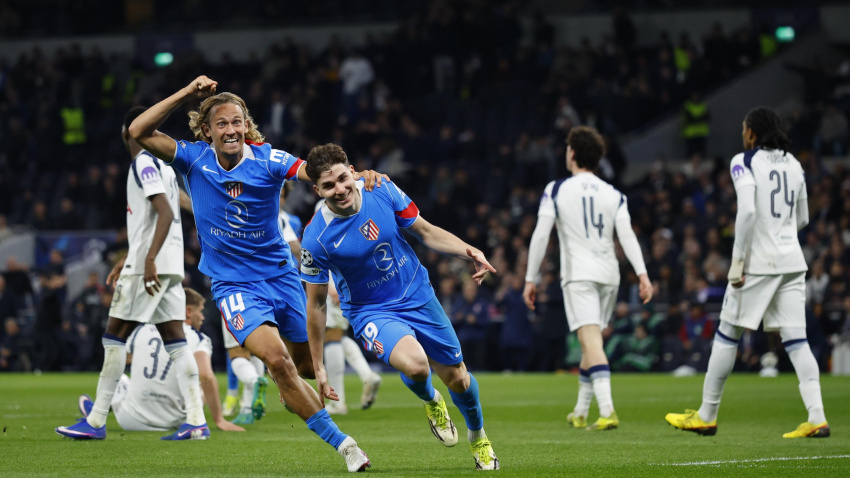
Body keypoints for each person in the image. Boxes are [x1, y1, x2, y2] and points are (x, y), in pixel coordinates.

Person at [129, 76, 377, 472]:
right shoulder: (192, 158)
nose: (231, 130)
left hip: (281, 277)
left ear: (247, 125)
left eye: (237, 122)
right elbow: (138, 131)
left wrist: (357, 177)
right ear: (206, 130)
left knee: (304, 369)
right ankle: (346, 446)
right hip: (233, 285)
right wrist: (188, 94)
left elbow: (313, 173)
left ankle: (287, 385)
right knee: (278, 362)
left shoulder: (269, 160)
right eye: (221, 123)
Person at [301, 144, 499, 471]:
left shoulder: (382, 189)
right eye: (328, 185)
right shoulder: (315, 239)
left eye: (342, 178)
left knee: (459, 379)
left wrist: (469, 251)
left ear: (352, 171)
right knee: (417, 366)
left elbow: (425, 232)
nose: (339, 189)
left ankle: (478, 435)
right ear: (317, 191)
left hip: (416, 292)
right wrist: (318, 365)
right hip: (370, 310)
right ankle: (431, 400)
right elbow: (316, 303)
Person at [666, 107, 829, 438]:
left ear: (752, 133)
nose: (743, 134)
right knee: (796, 340)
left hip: (758, 263)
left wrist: (738, 260)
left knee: (728, 332)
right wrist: (781, 235)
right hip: (792, 261)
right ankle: (817, 417)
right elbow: (803, 218)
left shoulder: (744, 161)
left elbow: (749, 210)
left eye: (744, 129)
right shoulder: (795, 164)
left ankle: (707, 415)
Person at [56, 106, 209, 441]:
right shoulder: (165, 167)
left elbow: (163, 213)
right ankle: (196, 421)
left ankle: (96, 420)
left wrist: (146, 259)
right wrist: (130, 255)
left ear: (128, 132)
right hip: (170, 265)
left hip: (149, 267)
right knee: (177, 342)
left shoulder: (143, 162)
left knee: (114, 338)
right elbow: (160, 217)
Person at [523, 126, 653, 431]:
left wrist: (531, 278)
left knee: (590, 339)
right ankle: (580, 411)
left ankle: (607, 410)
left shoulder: (556, 189)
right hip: (609, 275)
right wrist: (643, 274)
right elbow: (627, 236)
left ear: (572, 153)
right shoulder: (614, 194)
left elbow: (541, 234)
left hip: (579, 275)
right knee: (589, 340)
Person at [76, 288, 245, 433]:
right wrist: (219, 420)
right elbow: (206, 376)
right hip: (173, 422)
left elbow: (123, 359)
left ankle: (97, 411)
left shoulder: (142, 330)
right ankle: (193, 420)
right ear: (187, 311)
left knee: (119, 377)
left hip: (130, 420)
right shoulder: (198, 338)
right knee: (198, 385)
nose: (202, 317)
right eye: (199, 311)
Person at [323, 275, 383, 415]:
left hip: (330, 283)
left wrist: (330, 288)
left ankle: (337, 402)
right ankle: (367, 375)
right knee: (338, 336)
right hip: (345, 283)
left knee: (331, 335)